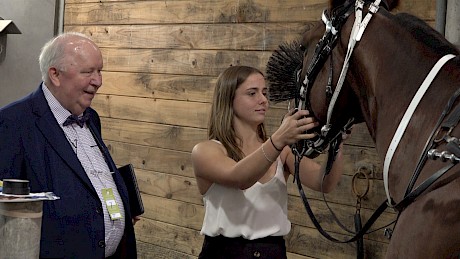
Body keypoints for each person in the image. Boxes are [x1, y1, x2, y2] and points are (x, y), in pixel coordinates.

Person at [0, 32, 137, 258]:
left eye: (100, 70)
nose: (98, 81)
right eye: (88, 72)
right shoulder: (12, 123)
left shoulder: (91, 117)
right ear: (55, 74)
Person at [191, 65, 346, 259]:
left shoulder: (282, 152)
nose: (263, 100)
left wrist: (338, 143)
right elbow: (240, 178)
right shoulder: (206, 150)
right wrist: (278, 139)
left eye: (264, 93)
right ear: (229, 99)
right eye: (252, 93)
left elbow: (324, 182)